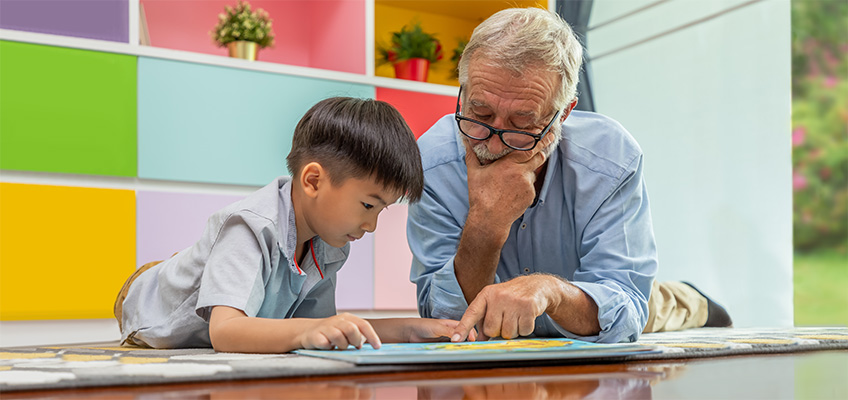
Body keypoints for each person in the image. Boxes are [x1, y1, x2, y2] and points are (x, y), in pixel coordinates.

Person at [407, 8, 731, 344]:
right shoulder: (432, 161)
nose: (494, 140)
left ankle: (689, 299)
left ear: (563, 114)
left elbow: (625, 308)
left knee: (655, 305)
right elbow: (444, 319)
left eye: (522, 123)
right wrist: (487, 223)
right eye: (480, 112)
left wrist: (551, 291)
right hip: (501, 331)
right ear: (463, 91)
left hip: (582, 298)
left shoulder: (610, 158)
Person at [114, 97, 475, 353]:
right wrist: (309, 330)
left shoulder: (329, 246)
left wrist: (414, 328)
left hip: (231, 310)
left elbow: (326, 326)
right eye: (368, 204)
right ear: (313, 181)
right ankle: (173, 270)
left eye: (381, 210)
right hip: (149, 305)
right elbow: (226, 332)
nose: (372, 225)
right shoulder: (251, 226)